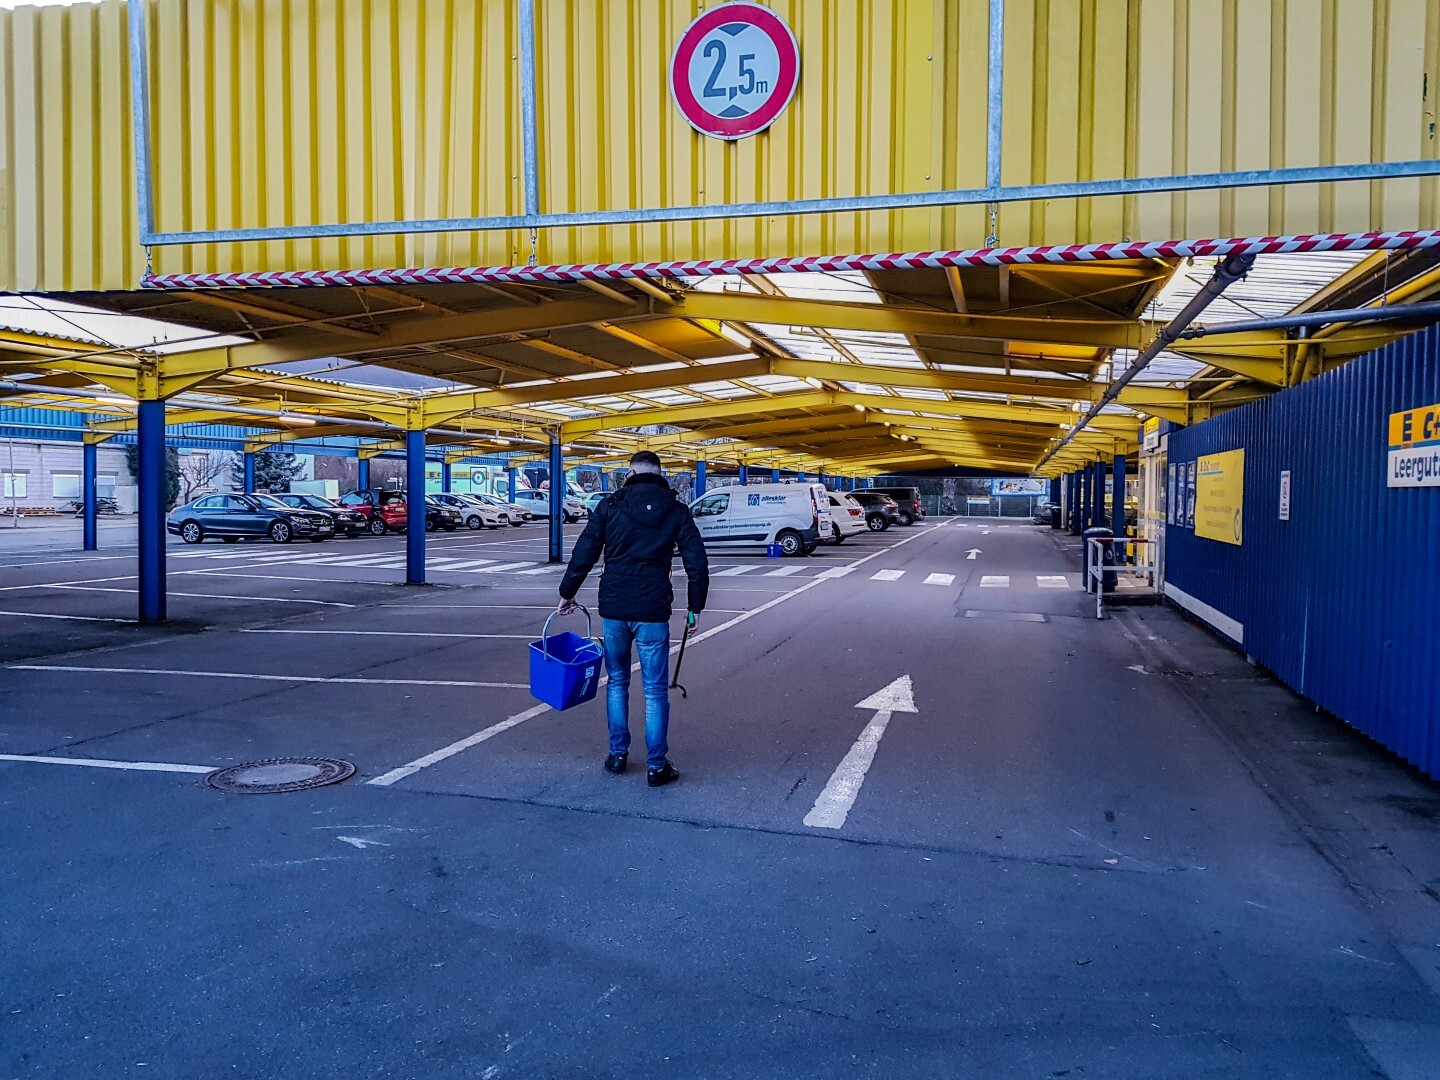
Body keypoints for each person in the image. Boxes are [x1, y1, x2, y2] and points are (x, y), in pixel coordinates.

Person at [557, 451, 709, 787]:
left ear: (630, 474)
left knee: (617, 681)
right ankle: (657, 766)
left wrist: (568, 591)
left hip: (614, 606)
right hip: (653, 608)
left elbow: (585, 550)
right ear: (659, 474)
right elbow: (697, 563)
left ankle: (617, 755)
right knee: (655, 690)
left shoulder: (610, 506)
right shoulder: (677, 510)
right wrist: (694, 608)